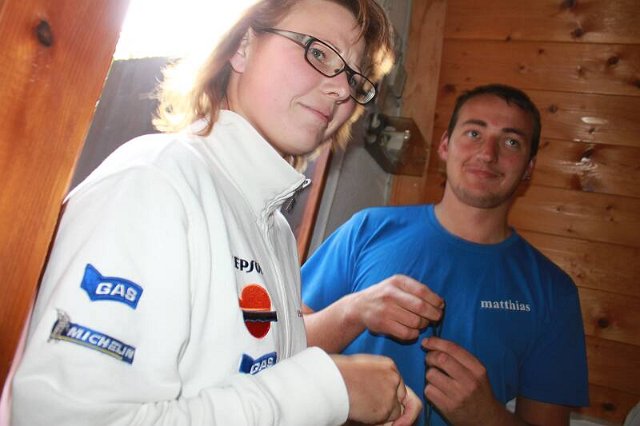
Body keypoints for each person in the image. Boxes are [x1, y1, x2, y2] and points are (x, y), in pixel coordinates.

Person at [8, 1, 423, 425]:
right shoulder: (154, 182)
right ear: (243, 46)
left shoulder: (274, 230)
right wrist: (325, 391)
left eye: (354, 78)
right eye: (318, 52)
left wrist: (336, 396)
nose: (341, 91)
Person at [302, 84, 589, 425]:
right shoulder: (367, 229)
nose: (488, 154)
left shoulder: (553, 292)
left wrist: (487, 417)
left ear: (529, 167)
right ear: (444, 145)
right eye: (474, 133)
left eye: (511, 142)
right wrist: (353, 311)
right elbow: (278, 343)